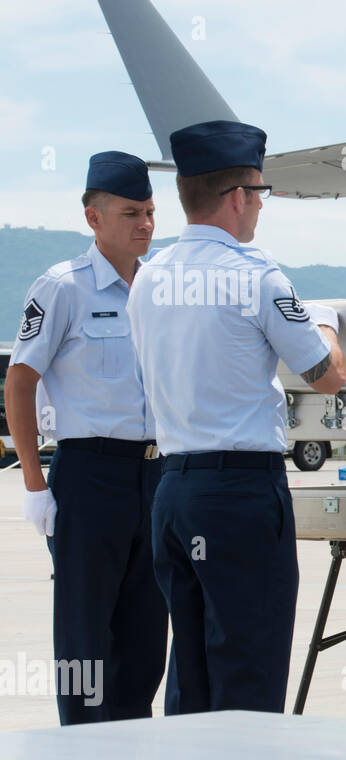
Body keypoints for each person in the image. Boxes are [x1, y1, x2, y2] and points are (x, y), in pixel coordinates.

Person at [126, 120, 346, 714]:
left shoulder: (148, 279)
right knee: (248, 669)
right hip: (240, 495)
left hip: (173, 489)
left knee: (190, 675)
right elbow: (326, 374)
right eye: (260, 195)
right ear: (239, 197)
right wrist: (323, 320)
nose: (259, 210)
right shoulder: (256, 275)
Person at [4, 152, 167, 724]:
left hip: (155, 476)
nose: (145, 224)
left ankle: (131, 748)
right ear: (94, 218)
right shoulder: (61, 288)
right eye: (131, 213)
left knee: (148, 633)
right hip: (89, 475)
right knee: (84, 631)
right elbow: (19, 384)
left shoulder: (158, 290)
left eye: (150, 211)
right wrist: (34, 484)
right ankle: (81, 750)